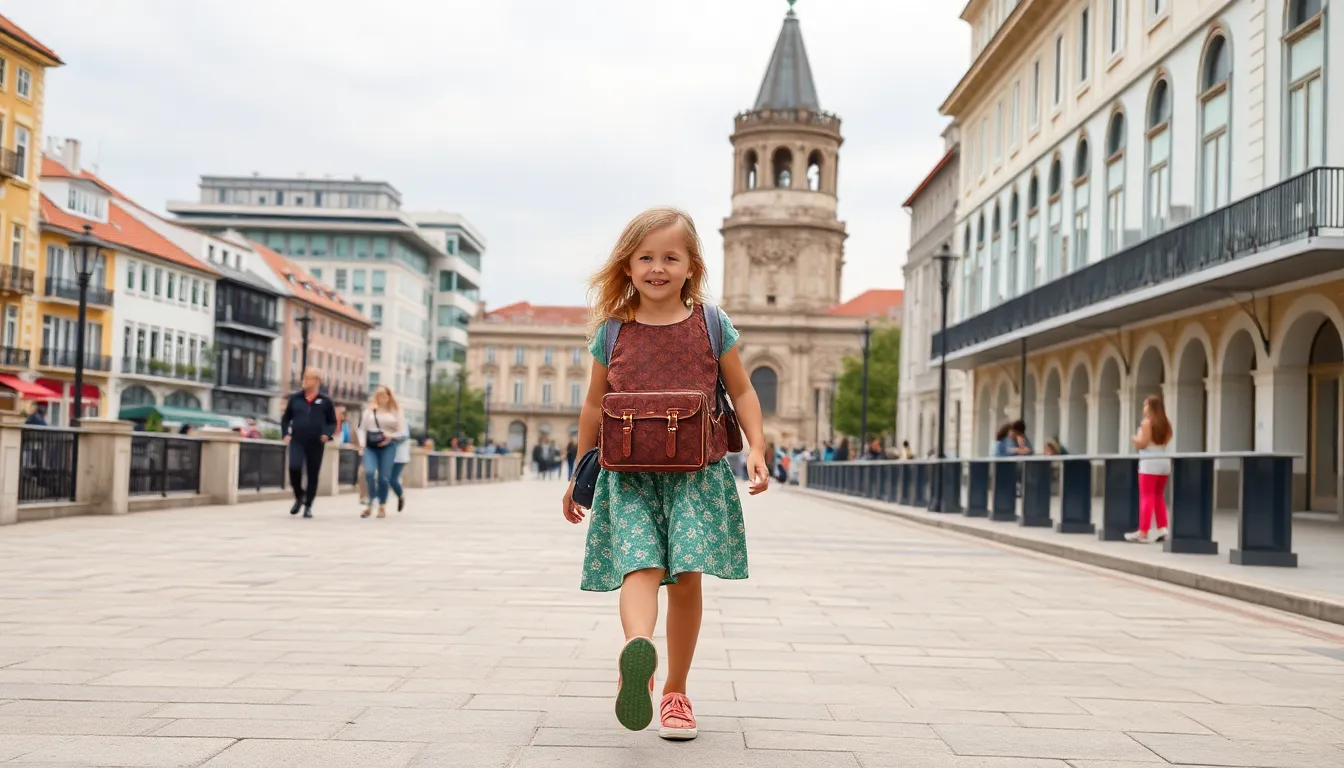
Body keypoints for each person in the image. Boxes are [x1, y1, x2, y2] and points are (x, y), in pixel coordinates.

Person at [561, 207, 769, 741]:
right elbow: (593, 405)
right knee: (643, 567)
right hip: (627, 473)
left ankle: (665, 676)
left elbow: (742, 390)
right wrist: (579, 471)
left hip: (695, 471)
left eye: (670, 258)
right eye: (646, 257)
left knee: (679, 576)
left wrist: (758, 449)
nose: (658, 268)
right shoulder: (611, 333)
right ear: (627, 267)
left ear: (690, 266)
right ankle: (648, 659)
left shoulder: (712, 324)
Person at [280, 368, 337, 518]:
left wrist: (327, 433)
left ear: (317, 381)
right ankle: (299, 496)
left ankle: (308, 506)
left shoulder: (325, 401)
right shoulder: (295, 399)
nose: (304, 381)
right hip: (298, 440)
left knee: (313, 473)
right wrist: (285, 434)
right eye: (304, 377)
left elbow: (332, 422)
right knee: (294, 467)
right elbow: (286, 419)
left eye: (309, 378)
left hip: (316, 442)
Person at [1127, 394, 1172, 543]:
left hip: (1149, 462)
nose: (1144, 408)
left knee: (1147, 496)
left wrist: (1134, 438)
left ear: (1151, 407)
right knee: (1158, 496)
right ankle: (1163, 528)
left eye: (1146, 405)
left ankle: (1143, 531)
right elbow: (1166, 440)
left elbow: (1142, 443)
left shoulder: (1147, 423)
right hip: (1164, 462)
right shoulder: (1166, 424)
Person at [357, 385, 405, 519]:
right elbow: (361, 429)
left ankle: (382, 505)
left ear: (389, 397)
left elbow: (401, 431)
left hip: (388, 446)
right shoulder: (369, 411)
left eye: (385, 395)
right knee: (369, 472)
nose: (382, 398)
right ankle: (370, 503)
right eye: (379, 395)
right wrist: (362, 445)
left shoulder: (395, 411)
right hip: (371, 446)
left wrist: (391, 436)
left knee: (384, 477)